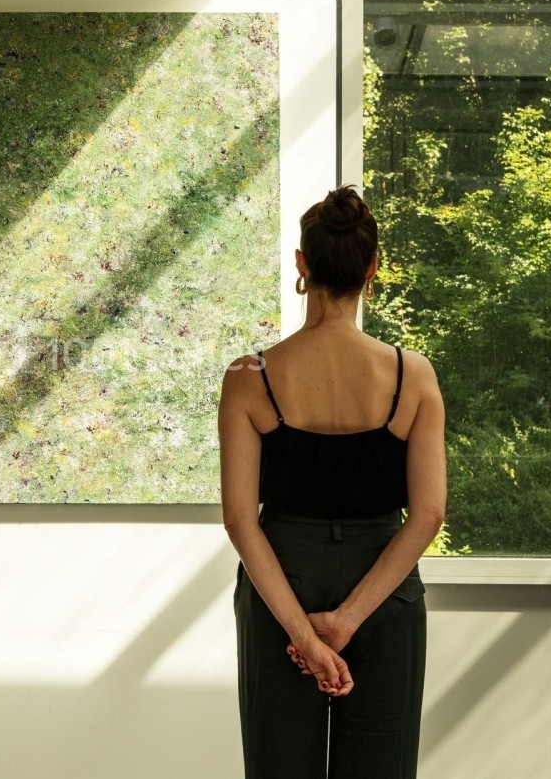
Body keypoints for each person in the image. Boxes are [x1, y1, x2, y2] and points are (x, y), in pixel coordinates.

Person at [217, 185, 447, 778]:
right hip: (383, 594)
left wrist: (304, 634)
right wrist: (347, 619)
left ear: (302, 264)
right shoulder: (413, 375)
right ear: (372, 268)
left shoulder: (247, 376)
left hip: (281, 588)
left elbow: (240, 521)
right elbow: (428, 515)